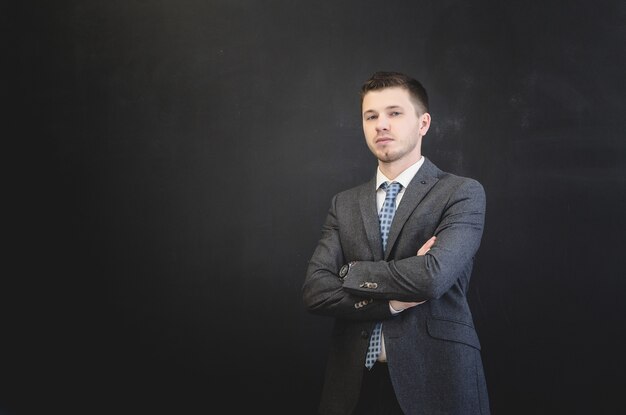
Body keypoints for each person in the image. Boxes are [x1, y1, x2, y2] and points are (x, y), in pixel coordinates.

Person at [302, 71, 490, 415]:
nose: (381, 125)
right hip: (353, 386)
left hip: (438, 379)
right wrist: (392, 303)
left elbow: (431, 277)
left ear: (423, 123)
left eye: (395, 113)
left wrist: (349, 272)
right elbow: (315, 291)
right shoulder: (343, 204)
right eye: (370, 116)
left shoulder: (461, 193)